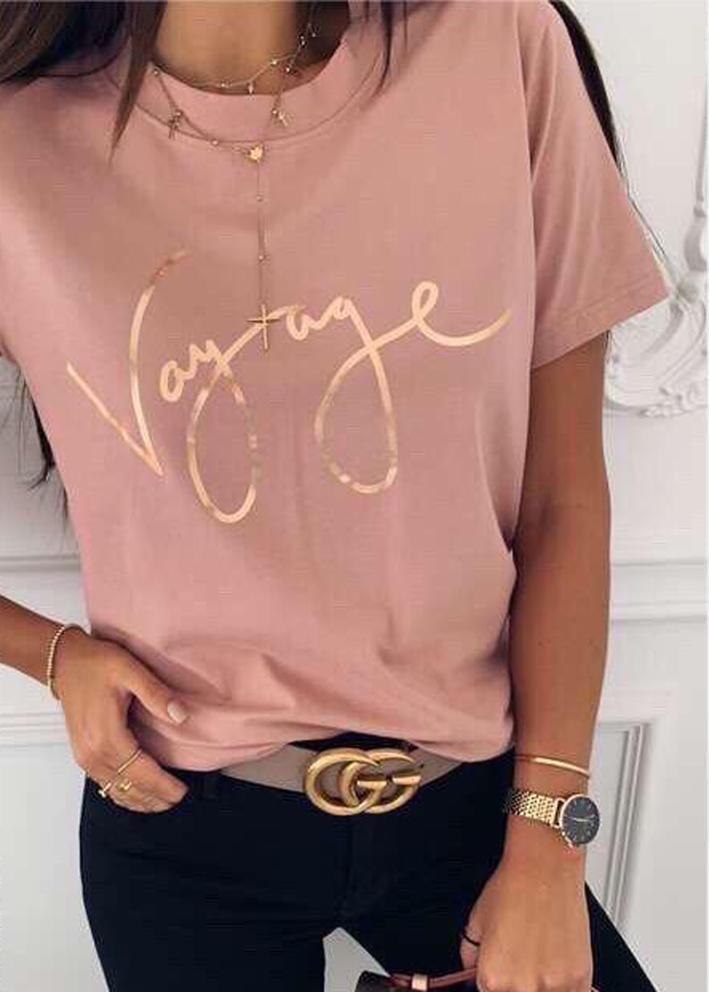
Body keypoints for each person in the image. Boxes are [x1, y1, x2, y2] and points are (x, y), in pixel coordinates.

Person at [0, 2, 670, 990]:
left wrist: (547, 847)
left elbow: (561, 499)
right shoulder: (19, 134)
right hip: (182, 829)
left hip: (481, 809)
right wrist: (50, 653)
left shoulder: (496, 45)